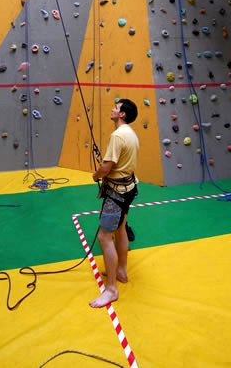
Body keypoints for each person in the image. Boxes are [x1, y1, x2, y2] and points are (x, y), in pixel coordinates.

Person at [90, 98, 139, 308]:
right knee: (120, 230)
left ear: (122, 115)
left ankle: (111, 290)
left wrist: (95, 175)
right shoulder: (131, 134)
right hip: (129, 190)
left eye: (116, 108)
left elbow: (107, 167)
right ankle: (121, 271)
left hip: (116, 194)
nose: (112, 109)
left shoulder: (118, 136)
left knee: (104, 236)